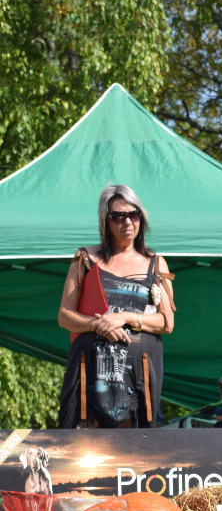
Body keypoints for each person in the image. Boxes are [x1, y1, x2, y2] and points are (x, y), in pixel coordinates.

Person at [57, 184, 175, 429]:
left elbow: (167, 323)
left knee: (136, 457)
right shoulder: (85, 259)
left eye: (133, 214)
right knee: (83, 458)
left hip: (139, 377)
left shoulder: (156, 264)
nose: (127, 221)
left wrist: (126, 317)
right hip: (91, 377)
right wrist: (99, 324)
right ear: (105, 221)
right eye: (118, 216)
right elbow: (64, 316)